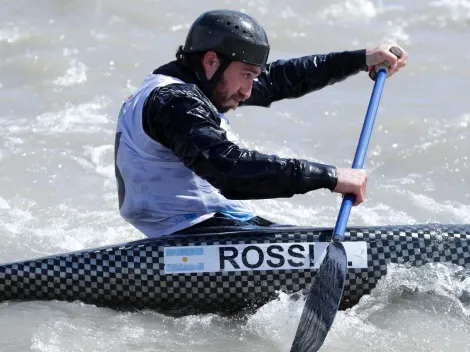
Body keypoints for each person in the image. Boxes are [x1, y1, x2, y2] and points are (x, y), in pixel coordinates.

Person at [114, 9, 408, 238]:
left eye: (253, 77)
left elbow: (281, 79)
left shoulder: (190, 87)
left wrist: (362, 59)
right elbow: (231, 171)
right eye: (246, 75)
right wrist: (329, 176)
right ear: (212, 61)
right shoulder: (176, 102)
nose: (249, 90)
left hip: (208, 230)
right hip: (190, 237)